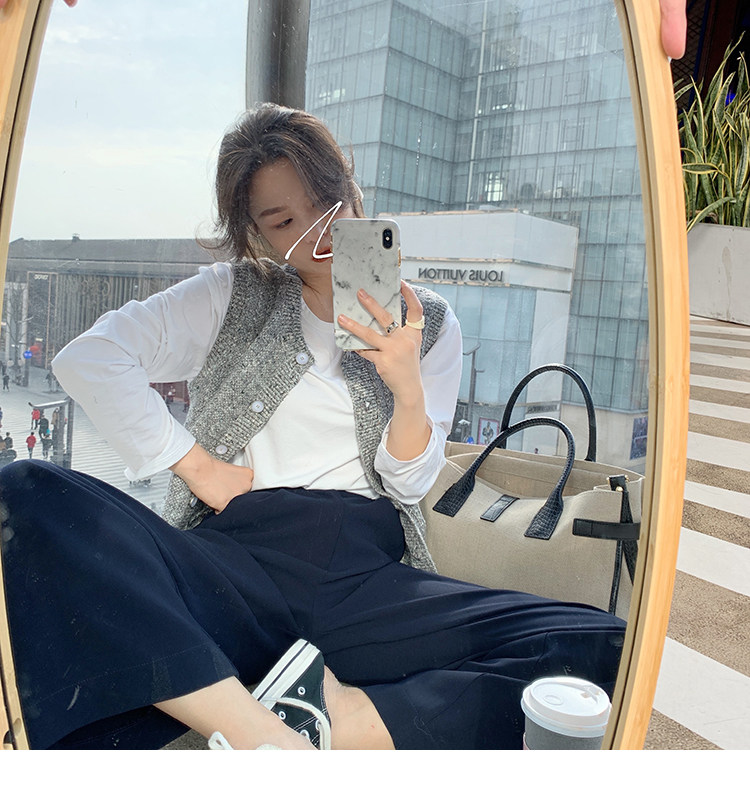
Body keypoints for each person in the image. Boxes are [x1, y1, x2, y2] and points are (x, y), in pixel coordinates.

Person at [0, 104, 626, 751]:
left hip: (366, 574)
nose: (317, 231)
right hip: (236, 558)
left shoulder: (430, 321)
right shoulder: (232, 294)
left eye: (327, 202)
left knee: (605, 647)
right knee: (28, 490)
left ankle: (342, 718)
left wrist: (406, 386)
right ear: (258, 235)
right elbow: (91, 357)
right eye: (283, 221)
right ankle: (267, 740)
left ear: (351, 190)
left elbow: (409, 485)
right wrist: (199, 467)